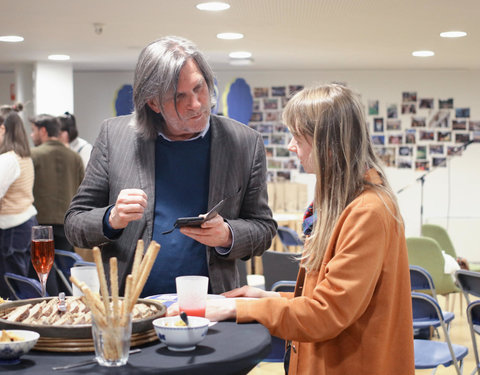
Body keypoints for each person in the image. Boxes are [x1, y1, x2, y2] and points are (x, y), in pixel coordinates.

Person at [188, 84, 414, 375]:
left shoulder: (367, 211)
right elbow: (326, 299)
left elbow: (326, 314)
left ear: (327, 144)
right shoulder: (339, 201)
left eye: (298, 137)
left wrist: (237, 309)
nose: (291, 146)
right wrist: (269, 299)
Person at [64, 36, 277, 297]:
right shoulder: (114, 136)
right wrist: (112, 218)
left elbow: (264, 228)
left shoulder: (245, 142)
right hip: (130, 309)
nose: (197, 104)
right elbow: (75, 225)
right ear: (153, 103)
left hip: (213, 307)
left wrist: (228, 234)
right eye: (180, 97)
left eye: (200, 88)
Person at [30, 114, 85, 252]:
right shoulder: (75, 157)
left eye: (33, 130)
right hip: (67, 223)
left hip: (39, 224)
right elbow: (83, 190)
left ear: (43, 131)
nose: (31, 135)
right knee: (65, 268)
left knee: (41, 269)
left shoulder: (33, 155)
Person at [0, 108, 38, 299]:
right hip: (26, 221)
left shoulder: (7, 159)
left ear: (2, 130)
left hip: (12, 228)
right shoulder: (23, 156)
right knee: (21, 282)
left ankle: (14, 328)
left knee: (11, 287)